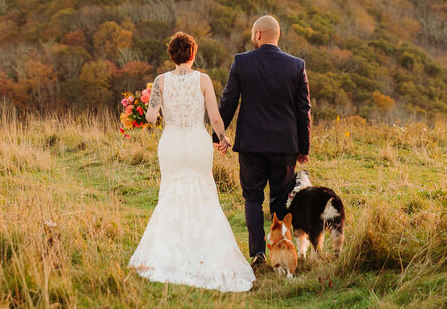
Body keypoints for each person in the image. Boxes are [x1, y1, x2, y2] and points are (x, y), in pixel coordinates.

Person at [128, 32, 255, 292]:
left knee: (172, 194)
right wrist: (223, 138)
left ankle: (170, 254)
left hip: (172, 144)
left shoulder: (160, 81)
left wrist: (149, 108)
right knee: (203, 194)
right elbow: (215, 118)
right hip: (198, 143)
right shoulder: (204, 80)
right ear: (193, 54)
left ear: (171, 55)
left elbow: (151, 118)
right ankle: (203, 253)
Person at [215, 15, 312, 269]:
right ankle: (280, 253)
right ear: (276, 35)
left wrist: (217, 135)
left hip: (251, 144)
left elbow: (228, 102)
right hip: (285, 146)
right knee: (280, 200)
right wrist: (304, 148)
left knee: (252, 198)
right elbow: (304, 110)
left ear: (258, 35)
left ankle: (258, 252)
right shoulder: (296, 65)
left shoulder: (241, 62)